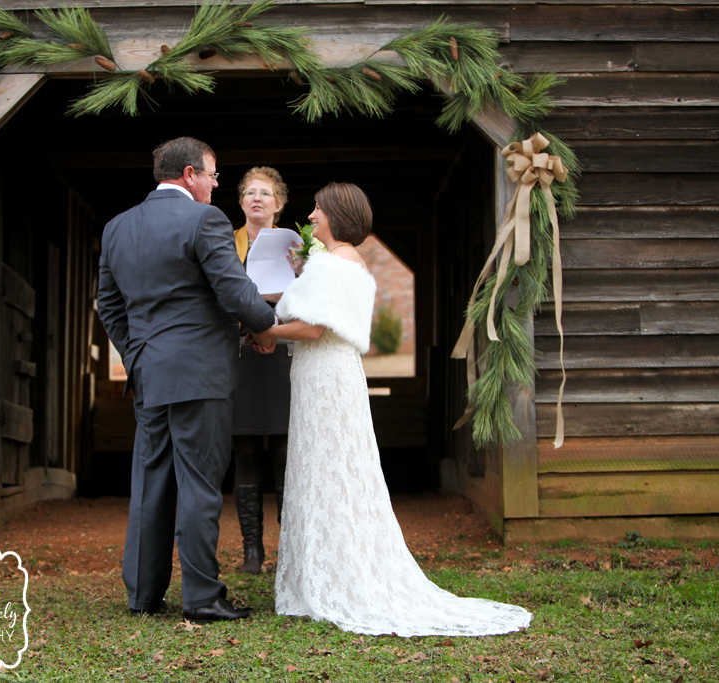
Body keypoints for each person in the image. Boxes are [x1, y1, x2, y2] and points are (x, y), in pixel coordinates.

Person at [250, 183, 532, 637]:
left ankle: (336, 580)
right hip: (328, 376)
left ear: (336, 215)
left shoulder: (333, 264)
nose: (313, 214)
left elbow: (315, 329)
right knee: (332, 471)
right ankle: (328, 572)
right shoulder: (344, 263)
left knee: (327, 471)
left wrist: (268, 333)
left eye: (319, 208)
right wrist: (302, 273)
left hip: (325, 378)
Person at [97, 137, 277, 623]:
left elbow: (109, 306)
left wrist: (136, 356)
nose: (218, 184)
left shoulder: (117, 226)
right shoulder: (205, 220)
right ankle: (200, 597)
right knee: (199, 483)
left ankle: (143, 595)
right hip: (201, 374)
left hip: (149, 375)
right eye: (214, 175)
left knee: (150, 481)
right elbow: (234, 290)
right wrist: (266, 326)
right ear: (190, 174)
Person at [231, 167, 292, 574]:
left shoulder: (298, 245)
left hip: (285, 352)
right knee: (246, 451)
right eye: (250, 193)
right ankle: (252, 551)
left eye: (265, 194)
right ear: (240, 202)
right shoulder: (222, 242)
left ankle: (290, 548)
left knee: (289, 454)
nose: (257, 199)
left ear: (279, 203)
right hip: (240, 354)